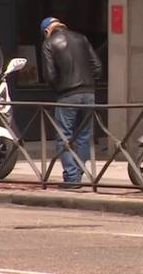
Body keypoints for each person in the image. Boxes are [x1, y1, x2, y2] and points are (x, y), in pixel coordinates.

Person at [40, 17, 102, 188]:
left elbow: (50, 74)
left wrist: (59, 88)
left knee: (63, 136)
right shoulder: (81, 38)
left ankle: (71, 177)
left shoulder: (49, 43)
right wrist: (89, 84)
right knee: (83, 136)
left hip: (67, 95)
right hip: (89, 94)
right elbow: (97, 66)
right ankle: (78, 173)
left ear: (47, 31)